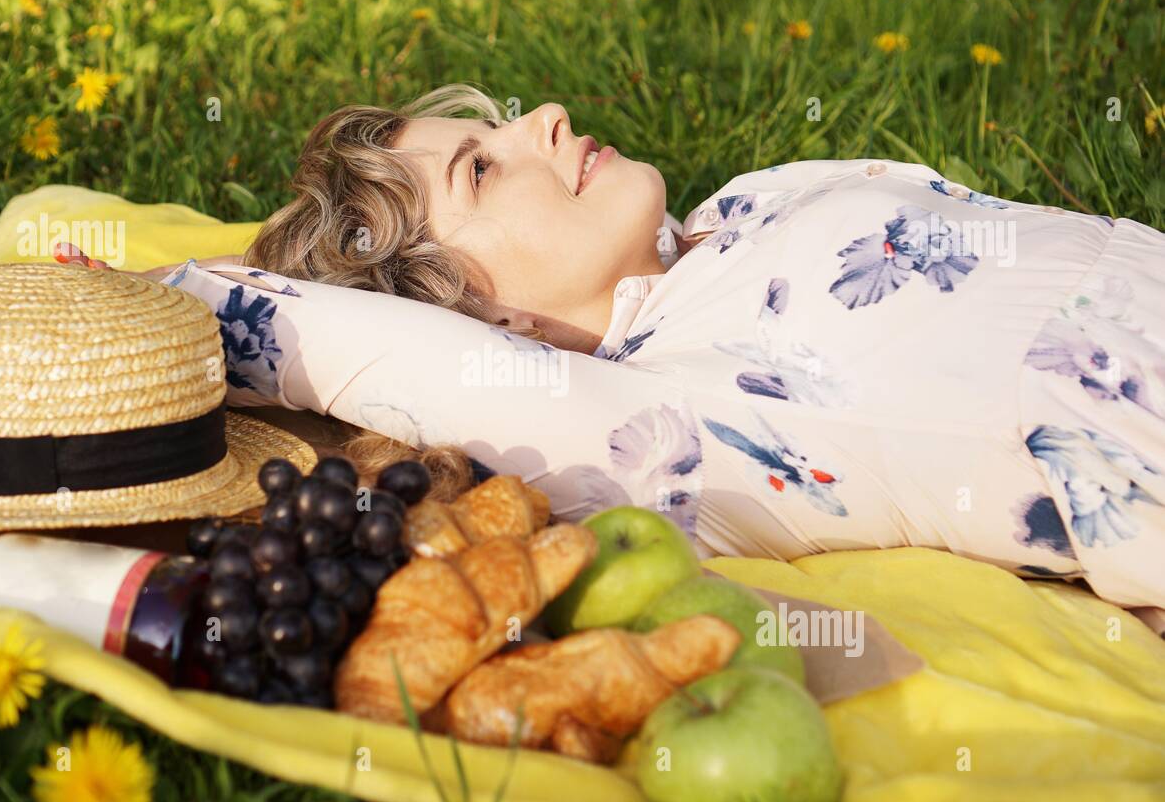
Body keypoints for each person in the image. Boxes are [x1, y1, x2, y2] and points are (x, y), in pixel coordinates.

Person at [138, 85, 1165, 617]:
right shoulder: (667, 414)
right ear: (484, 324)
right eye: (483, 170)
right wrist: (173, 302)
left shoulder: (743, 200)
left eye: (499, 125)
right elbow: (376, 351)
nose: (547, 116)